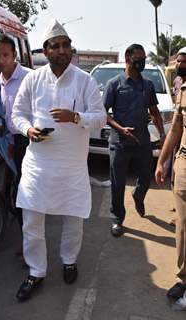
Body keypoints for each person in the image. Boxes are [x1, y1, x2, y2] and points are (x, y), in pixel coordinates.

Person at [11, 19, 106, 302]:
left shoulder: (85, 80)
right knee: (32, 222)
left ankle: (68, 261)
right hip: (38, 167)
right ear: (46, 50)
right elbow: (18, 113)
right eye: (56, 46)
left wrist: (75, 117)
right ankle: (36, 271)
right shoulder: (33, 79)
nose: (63, 50)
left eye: (67, 45)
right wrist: (28, 130)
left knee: (73, 220)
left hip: (72, 167)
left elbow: (100, 118)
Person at [103, 43, 165, 237]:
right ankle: (117, 219)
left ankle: (138, 196)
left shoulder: (147, 85)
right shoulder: (114, 84)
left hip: (142, 142)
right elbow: (102, 113)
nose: (142, 62)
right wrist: (120, 129)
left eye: (144, 58)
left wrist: (162, 134)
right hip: (119, 143)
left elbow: (154, 111)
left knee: (146, 177)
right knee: (118, 183)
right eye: (139, 58)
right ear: (128, 59)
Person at [155, 47, 186, 301]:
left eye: (184, 62)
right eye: (180, 61)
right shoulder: (183, 92)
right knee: (184, 226)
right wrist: (162, 161)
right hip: (185, 163)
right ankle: (184, 277)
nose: (180, 65)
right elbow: (175, 129)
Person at [0, 34, 31, 228]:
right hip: (14, 140)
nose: (1, 60)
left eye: (5, 55)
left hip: (31, 141)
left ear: (14, 55)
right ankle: (28, 241)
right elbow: (10, 116)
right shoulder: (0, 81)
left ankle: (30, 246)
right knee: (18, 190)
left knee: (25, 193)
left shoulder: (29, 77)